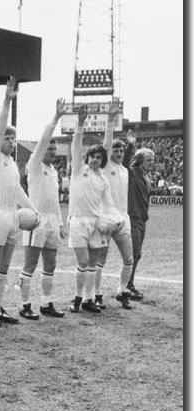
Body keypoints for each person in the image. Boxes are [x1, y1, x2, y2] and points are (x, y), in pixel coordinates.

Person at [0, 76, 39, 327]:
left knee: (5, 266)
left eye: (13, 139)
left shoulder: (13, 163)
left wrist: (33, 210)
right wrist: (6, 100)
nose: (11, 143)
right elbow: (1, 123)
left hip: (13, 215)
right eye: (7, 138)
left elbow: (18, 191)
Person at [15, 98, 68, 320]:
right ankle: (24, 304)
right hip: (35, 221)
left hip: (52, 222)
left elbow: (54, 200)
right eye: (50, 148)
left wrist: (61, 224)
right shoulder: (34, 165)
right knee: (29, 263)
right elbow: (44, 139)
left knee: (50, 264)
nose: (53, 152)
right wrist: (56, 118)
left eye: (55, 149)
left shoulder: (54, 171)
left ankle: (47, 303)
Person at [66, 105, 117, 313]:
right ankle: (77, 298)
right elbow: (76, 148)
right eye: (93, 156)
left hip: (96, 222)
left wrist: (114, 219)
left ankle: (88, 300)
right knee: (84, 261)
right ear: (88, 158)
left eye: (99, 157)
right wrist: (79, 125)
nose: (96, 159)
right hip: (78, 221)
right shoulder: (79, 170)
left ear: (103, 160)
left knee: (93, 262)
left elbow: (109, 204)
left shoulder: (103, 179)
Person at [93, 100, 134, 309]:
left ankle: (122, 290)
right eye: (116, 150)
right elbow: (106, 143)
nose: (118, 153)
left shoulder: (125, 170)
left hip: (123, 218)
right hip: (106, 218)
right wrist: (110, 119)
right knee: (100, 259)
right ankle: (97, 294)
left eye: (121, 150)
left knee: (129, 258)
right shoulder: (106, 165)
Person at [125, 130, 155, 300]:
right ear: (140, 160)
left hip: (142, 220)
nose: (152, 162)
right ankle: (127, 285)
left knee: (137, 254)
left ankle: (129, 283)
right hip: (132, 219)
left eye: (153, 160)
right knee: (134, 253)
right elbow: (126, 162)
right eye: (148, 160)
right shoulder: (132, 173)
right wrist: (130, 145)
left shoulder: (146, 177)